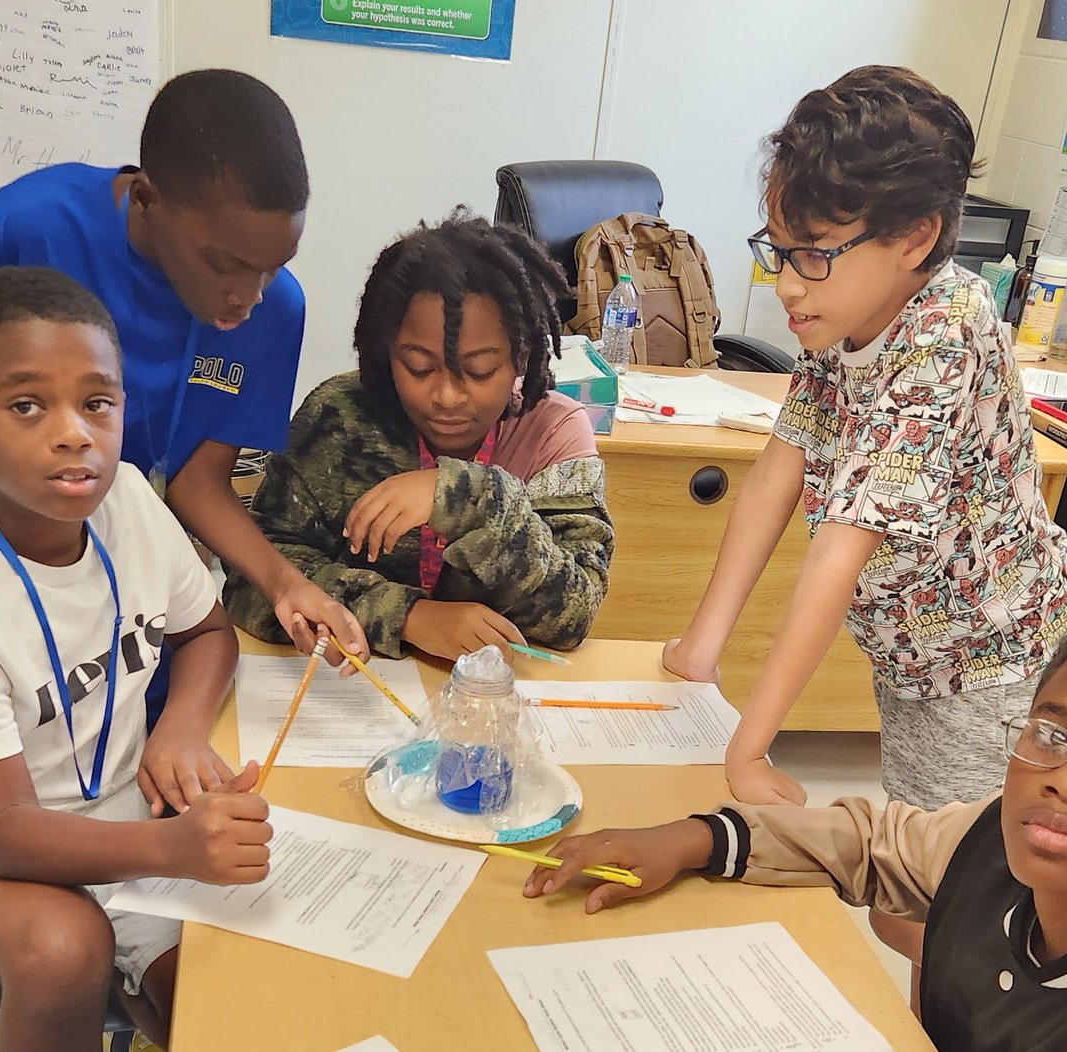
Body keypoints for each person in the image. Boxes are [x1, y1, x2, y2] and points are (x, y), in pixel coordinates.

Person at [0, 268, 271, 1052]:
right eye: (27, 406)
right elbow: (7, 833)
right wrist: (175, 850)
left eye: (97, 403)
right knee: (63, 949)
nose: (74, 433)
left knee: (234, 999)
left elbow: (207, 633)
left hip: (125, 812)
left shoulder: (129, 500)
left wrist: (180, 729)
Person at [0, 68, 365, 674]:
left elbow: (197, 480)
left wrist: (286, 584)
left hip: (122, 547)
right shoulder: (31, 224)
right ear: (148, 201)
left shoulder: (276, 309)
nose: (250, 295)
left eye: (275, 265)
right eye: (224, 265)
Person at [664, 65, 1067, 810]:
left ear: (915, 237)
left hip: (990, 671)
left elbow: (838, 555)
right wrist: (701, 647)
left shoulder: (944, 333)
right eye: (779, 250)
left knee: (947, 869)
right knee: (910, 850)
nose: (788, 283)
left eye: (814, 253)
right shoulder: (841, 316)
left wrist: (748, 747)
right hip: (910, 653)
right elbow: (779, 471)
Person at [522, 635, 1067, 1052]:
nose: (1059, 781)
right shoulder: (987, 836)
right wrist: (695, 838)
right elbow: (872, 842)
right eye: (1050, 734)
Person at [223, 212, 614, 662]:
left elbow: (573, 614)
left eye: (479, 370)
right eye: (419, 367)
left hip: (502, 690)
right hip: (361, 688)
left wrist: (468, 497)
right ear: (387, 350)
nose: (447, 396)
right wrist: (408, 616)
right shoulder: (339, 418)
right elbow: (252, 582)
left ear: (520, 357)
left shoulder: (553, 432)